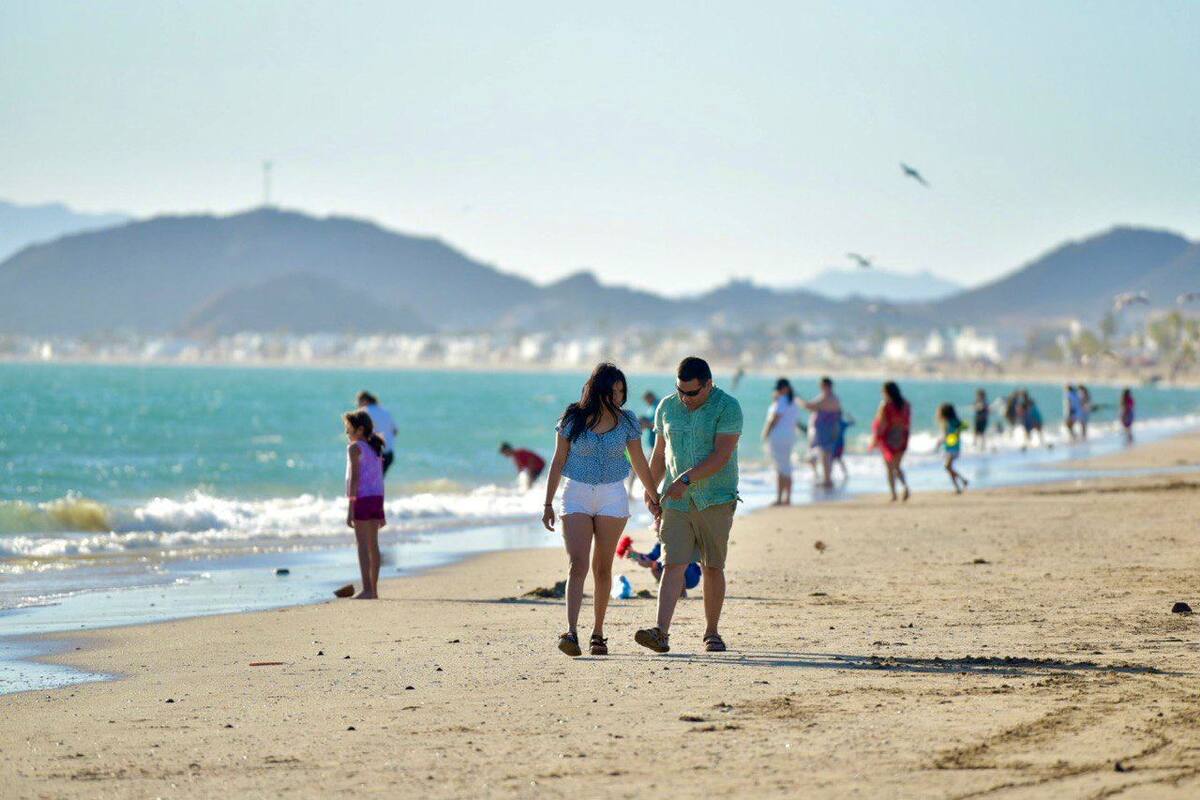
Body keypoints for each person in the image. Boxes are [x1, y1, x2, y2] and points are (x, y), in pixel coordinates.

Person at [541, 363, 661, 657]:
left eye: (622, 391)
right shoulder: (572, 419)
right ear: (599, 390)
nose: (618, 396)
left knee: (603, 568)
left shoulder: (627, 421)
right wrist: (547, 503)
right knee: (577, 564)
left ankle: (598, 633)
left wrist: (654, 495)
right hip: (576, 494)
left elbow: (639, 462)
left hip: (612, 496)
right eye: (613, 391)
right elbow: (558, 461)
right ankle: (571, 632)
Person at [635, 356, 742, 655]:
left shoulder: (727, 406)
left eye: (692, 392)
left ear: (708, 384)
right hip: (676, 501)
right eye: (680, 390)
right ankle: (660, 633)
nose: (685, 398)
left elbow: (722, 455)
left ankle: (712, 633)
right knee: (672, 564)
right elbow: (660, 454)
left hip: (715, 499)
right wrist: (650, 489)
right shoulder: (666, 407)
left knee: (712, 566)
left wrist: (686, 480)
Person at [343, 409, 387, 599]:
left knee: (362, 545)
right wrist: (382, 509)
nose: (347, 432)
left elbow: (354, 479)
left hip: (361, 498)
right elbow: (379, 480)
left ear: (360, 429)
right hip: (376, 498)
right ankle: (373, 590)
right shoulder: (374, 448)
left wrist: (350, 508)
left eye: (349, 428)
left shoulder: (354, 448)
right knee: (373, 545)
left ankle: (367, 589)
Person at [871, 382, 911, 502]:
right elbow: (907, 423)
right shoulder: (906, 404)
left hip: (888, 437)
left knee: (889, 467)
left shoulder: (885, 405)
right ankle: (904, 486)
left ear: (887, 392)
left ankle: (893, 494)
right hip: (902, 436)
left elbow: (882, 424)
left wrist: (875, 439)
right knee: (897, 466)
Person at [762, 378, 800, 505]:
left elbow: (775, 418)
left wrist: (765, 433)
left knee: (781, 467)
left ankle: (781, 498)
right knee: (785, 466)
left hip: (779, 436)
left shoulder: (782, 400)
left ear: (785, 389)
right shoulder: (792, 401)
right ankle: (786, 497)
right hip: (789, 436)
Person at [801, 376, 842, 488]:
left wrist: (798, 400)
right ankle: (826, 478)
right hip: (830, 429)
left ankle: (827, 480)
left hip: (825, 430)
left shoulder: (828, 398)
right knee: (825, 455)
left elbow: (810, 406)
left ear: (825, 385)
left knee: (825, 455)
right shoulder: (834, 398)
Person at [357, 391, 398, 475]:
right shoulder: (385, 411)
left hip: (374, 454)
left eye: (359, 402)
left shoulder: (364, 412)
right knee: (378, 480)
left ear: (364, 400)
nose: (358, 404)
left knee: (367, 480)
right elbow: (395, 431)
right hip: (388, 453)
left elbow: (359, 434)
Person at [627, 391, 659, 493]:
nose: (646, 403)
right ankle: (638, 490)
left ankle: (645, 490)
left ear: (650, 397)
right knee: (641, 467)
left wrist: (647, 424)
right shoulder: (652, 407)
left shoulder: (657, 405)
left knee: (642, 467)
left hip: (657, 446)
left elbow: (661, 424)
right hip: (652, 445)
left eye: (646, 400)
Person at [936, 403, 970, 494]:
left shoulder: (948, 423)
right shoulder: (955, 421)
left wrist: (939, 442)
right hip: (954, 447)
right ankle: (959, 486)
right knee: (949, 467)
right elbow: (965, 426)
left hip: (952, 448)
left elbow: (947, 435)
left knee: (947, 467)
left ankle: (963, 481)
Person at [832, 414, 855, 482]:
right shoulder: (841, 423)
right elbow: (853, 422)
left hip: (838, 444)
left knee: (837, 459)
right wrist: (849, 416)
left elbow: (853, 423)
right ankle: (844, 473)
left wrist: (849, 416)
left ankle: (844, 473)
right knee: (836, 459)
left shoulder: (839, 423)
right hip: (836, 444)